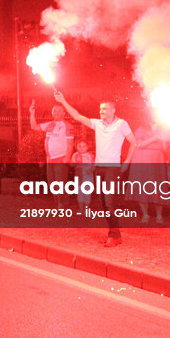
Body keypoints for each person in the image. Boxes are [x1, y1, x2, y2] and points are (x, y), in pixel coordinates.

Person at [54, 91, 136, 247]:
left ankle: (114, 235)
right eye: (100, 109)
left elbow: (134, 142)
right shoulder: (97, 124)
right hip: (99, 168)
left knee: (110, 203)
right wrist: (63, 100)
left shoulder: (121, 124)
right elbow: (77, 116)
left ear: (113, 110)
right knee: (104, 204)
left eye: (104, 109)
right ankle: (115, 234)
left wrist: (126, 162)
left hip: (113, 168)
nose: (101, 111)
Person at [30, 100, 75, 208]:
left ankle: (62, 203)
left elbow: (70, 143)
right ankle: (59, 201)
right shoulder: (49, 125)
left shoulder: (68, 126)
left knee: (60, 182)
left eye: (59, 111)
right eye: (54, 111)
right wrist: (32, 113)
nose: (56, 113)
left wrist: (68, 157)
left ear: (64, 113)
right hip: (50, 159)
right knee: (51, 183)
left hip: (61, 158)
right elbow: (34, 127)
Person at [129, 124, 168, 223]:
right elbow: (139, 144)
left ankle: (159, 215)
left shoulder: (163, 129)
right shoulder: (141, 129)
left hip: (157, 161)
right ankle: (145, 214)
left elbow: (165, 149)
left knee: (157, 187)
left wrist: (162, 140)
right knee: (142, 187)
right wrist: (155, 138)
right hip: (143, 161)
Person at [71, 140, 95, 207]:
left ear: (87, 147)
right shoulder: (75, 155)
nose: (81, 148)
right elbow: (71, 164)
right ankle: (81, 208)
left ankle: (86, 207)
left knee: (87, 191)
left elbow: (94, 165)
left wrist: (91, 170)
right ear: (76, 147)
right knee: (79, 192)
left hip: (88, 176)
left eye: (84, 146)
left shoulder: (90, 155)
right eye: (79, 146)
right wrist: (74, 162)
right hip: (79, 176)